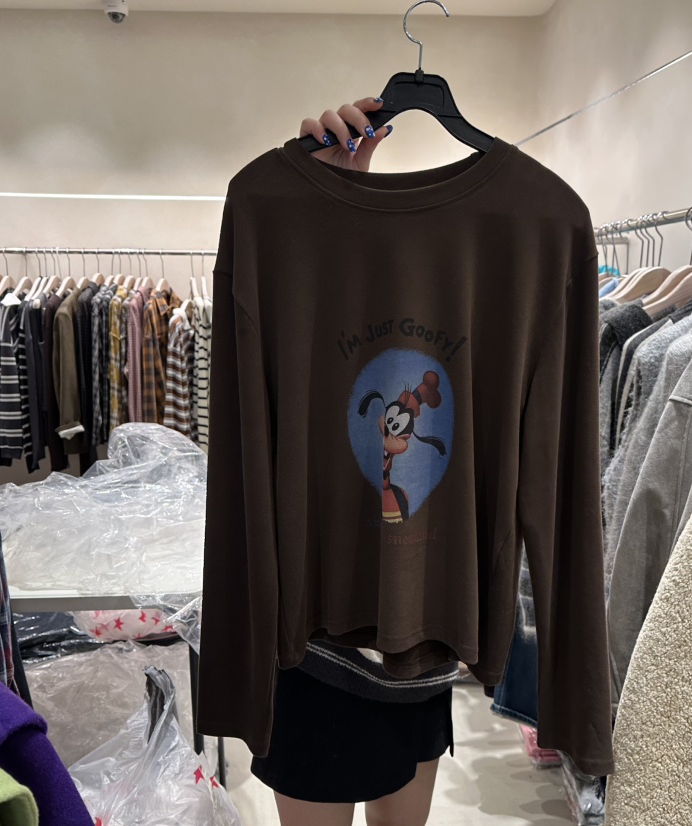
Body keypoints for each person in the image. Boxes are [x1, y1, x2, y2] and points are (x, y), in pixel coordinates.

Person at [249, 97, 457, 826]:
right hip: (315, 644)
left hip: (421, 636)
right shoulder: (279, 233)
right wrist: (326, 194)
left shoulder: (494, 242)